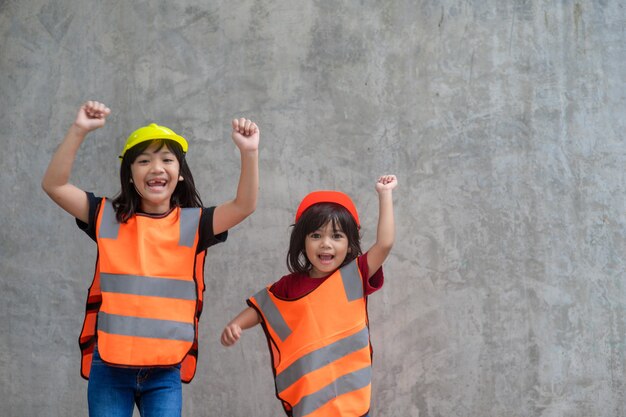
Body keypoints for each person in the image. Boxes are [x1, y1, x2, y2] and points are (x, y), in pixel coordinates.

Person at [41, 100, 260, 417]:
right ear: (129, 175)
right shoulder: (106, 217)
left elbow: (244, 206)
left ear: (180, 174)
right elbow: (54, 185)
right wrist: (79, 129)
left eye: (167, 160)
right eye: (143, 160)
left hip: (164, 370)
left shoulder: (194, 225)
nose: (156, 168)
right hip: (110, 367)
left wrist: (249, 152)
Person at [221, 175, 397, 417]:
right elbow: (261, 308)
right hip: (310, 405)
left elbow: (385, 243)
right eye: (316, 236)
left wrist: (384, 195)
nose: (326, 244)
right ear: (302, 241)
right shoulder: (289, 286)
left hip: (351, 402)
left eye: (337, 236)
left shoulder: (354, 275)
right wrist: (236, 325)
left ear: (350, 242)